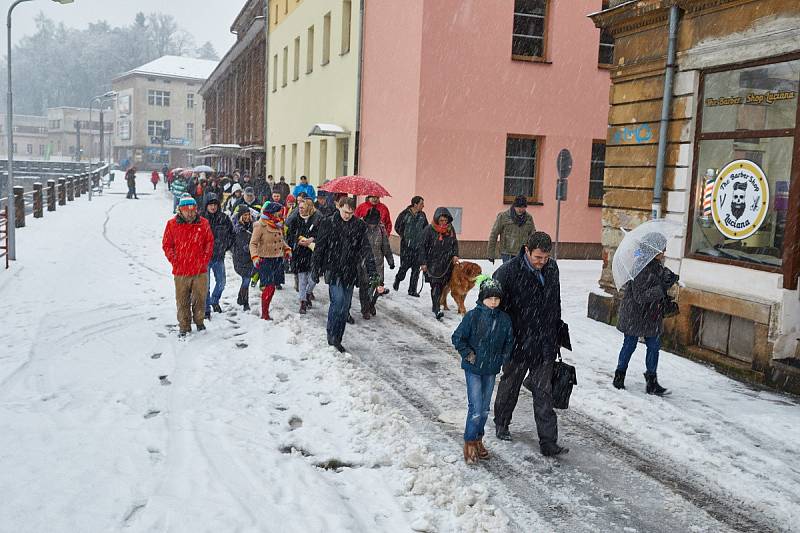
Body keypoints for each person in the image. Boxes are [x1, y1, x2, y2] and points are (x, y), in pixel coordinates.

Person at [492, 231, 567, 457]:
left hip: (544, 342)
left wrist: (556, 334)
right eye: (537, 258)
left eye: (545, 258)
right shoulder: (507, 273)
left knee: (544, 391)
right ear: (527, 249)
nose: (542, 262)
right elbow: (489, 303)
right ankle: (502, 423)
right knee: (510, 384)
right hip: (517, 342)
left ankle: (548, 442)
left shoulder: (552, 269)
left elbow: (555, 303)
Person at [451, 275, 513, 464]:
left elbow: (509, 342)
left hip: (491, 369)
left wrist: (503, 358)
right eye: (489, 298)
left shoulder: (504, 319)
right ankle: (469, 441)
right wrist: (468, 353)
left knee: (485, 409)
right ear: (482, 298)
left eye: (496, 298)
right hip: (473, 368)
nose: (493, 302)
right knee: (476, 408)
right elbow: (457, 337)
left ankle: (478, 439)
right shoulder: (473, 316)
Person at [313, 197, 383, 353]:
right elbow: (320, 247)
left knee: (345, 308)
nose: (347, 215)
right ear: (339, 207)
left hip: (351, 271)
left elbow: (367, 251)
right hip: (333, 268)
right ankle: (331, 334)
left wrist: (373, 275)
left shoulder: (359, 225)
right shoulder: (329, 223)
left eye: (351, 213)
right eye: (345, 212)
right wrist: (315, 268)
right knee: (337, 302)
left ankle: (338, 338)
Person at [614, 233, 677, 395]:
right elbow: (640, 296)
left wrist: (670, 278)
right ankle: (619, 376)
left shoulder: (657, 265)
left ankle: (652, 382)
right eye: (662, 248)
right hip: (634, 314)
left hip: (652, 314)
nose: (665, 251)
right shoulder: (638, 267)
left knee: (654, 346)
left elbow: (658, 281)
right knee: (630, 344)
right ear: (653, 250)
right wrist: (662, 287)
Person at [161, 194, 214, 337]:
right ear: (180, 210)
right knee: (182, 299)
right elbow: (167, 245)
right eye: (187, 211)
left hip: (200, 270)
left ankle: (199, 321)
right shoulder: (172, 225)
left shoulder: (203, 223)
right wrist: (175, 260)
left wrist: (204, 259)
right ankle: (184, 326)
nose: (190, 213)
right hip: (181, 271)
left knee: (200, 298)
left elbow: (209, 242)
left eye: (193, 210)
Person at [249, 202, 290, 320]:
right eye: (278, 213)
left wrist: (286, 249)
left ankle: (265, 309)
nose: (280, 216)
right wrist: (255, 257)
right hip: (265, 260)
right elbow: (253, 243)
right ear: (271, 213)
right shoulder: (260, 225)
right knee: (269, 286)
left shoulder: (277, 224)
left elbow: (280, 240)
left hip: (277, 259)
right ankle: (264, 313)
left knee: (273, 287)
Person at [419, 207, 459, 320]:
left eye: (445, 221)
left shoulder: (450, 230)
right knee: (435, 286)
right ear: (437, 219)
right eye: (441, 221)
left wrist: (455, 255)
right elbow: (422, 247)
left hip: (447, 264)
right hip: (433, 263)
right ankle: (436, 308)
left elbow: (455, 243)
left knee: (443, 286)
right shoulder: (429, 229)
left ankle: (438, 303)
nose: (443, 223)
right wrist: (423, 262)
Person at [358, 206, 395, 320]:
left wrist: (390, 260)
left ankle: (372, 304)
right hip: (364, 263)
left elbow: (385, 245)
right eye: (371, 222)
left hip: (378, 262)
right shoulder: (361, 228)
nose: (372, 225)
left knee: (378, 286)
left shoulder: (381, 229)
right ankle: (365, 308)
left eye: (374, 222)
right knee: (365, 287)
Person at [287, 198, 322, 314]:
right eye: (299, 207)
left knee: (313, 278)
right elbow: (289, 235)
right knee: (302, 279)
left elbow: (322, 234)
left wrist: (312, 239)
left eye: (302, 207)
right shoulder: (295, 219)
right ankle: (302, 302)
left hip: (313, 253)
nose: (300, 209)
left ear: (309, 207)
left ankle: (308, 292)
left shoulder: (317, 219)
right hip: (300, 252)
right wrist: (298, 240)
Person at [202, 194, 234, 318]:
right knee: (206, 285)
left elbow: (231, 234)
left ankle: (214, 300)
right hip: (205, 258)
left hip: (219, 256)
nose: (213, 207)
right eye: (211, 205)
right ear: (206, 206)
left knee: (221, 282)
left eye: (215, 204)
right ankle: (206, 308)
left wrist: (226, 246)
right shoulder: (201, 219)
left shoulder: (224, 218)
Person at [393, 196, 428, 297]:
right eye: (421, 204)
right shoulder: (404, 214)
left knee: (416, 269)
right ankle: (398, 279)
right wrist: (405, 236)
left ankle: (412, 290)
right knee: (404, 267)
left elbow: (426, 228)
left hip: (418, 247)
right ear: (415, 204)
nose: (423, 206)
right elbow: (397, 226)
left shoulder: (422, 215)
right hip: (406, 247)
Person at [487, 195, 536, 264]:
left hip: (522, 253)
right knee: (509, 273)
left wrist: (533, 252)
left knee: (521, 274)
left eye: (523, 207)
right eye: (518, 207)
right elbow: (494, 234)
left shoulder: (529, 218)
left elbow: (533, 235)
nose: (520, 209)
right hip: (507, 253)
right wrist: (490, 253)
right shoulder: (504, 216)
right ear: (514, 206)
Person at [231, 204, 256, 311]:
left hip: (250, 257)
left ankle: (241, 298)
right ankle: (245, 302)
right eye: (244, 215)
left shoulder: (253, 225)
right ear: (240, 215)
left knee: (247, 279)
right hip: (239, 258)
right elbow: (234, 243)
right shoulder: (236, 228)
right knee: (246, 279)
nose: (247, 217)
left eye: (248, 214)